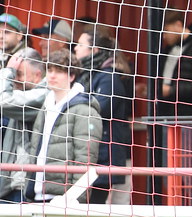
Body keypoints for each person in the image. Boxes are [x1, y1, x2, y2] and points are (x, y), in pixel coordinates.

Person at [26, 49, 102, 203]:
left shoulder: (85, 110)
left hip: (65, 199)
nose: (52, 75)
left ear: (72, 76)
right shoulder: (45, 106)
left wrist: (74, 199)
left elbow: (85, 159)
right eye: (50, 70)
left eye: (59, 71)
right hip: (37, 194)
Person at [73, 24, 134, 205]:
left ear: (95, 49)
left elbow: (102, 109)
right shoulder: (87, 74)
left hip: (104, 151)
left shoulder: (108, 77)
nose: (75, 47)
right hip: (94, 149)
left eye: (80, 44)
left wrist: (75, 107)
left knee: (99, 203)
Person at [0, 49, 49, 203]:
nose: (15, 80)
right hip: (12, 183)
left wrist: (8, 71)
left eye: (19, 74)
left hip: (24, 185)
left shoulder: (44, 95)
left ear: (37, 75)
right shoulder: (22, 92)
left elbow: (3, 100)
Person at [156, 9, 192, 118]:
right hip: (167, 112)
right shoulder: (169, 49)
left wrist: (171, 90)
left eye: (166, 30)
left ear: (178, 25)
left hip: (191, 115)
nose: (164, 36)